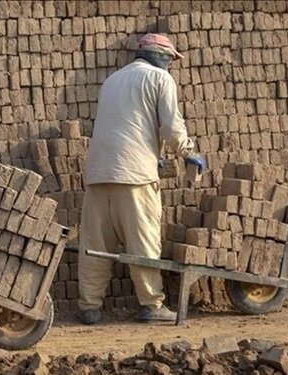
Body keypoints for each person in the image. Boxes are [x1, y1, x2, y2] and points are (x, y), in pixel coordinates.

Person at [78, 34, 206, 324]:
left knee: (96, 244)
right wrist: (188, 153)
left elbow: (127, 124)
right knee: (143, 242)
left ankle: (89, 306)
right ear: (161, 56)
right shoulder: (161, 80)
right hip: (135, 176)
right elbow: (172, 127)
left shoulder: (112, 81)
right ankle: (151, 305)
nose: (172, 66)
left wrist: (155, 153)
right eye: (171, 60)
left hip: (98, 172)